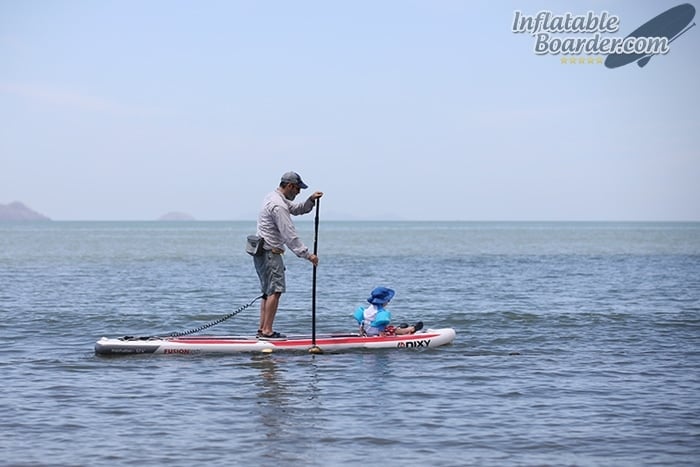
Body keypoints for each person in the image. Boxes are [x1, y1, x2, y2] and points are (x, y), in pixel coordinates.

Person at [253, 171, 323, 339]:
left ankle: (262, 329)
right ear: (290, 186)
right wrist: (308, 255)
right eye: (298, 189)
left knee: (267, 292)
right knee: (275, 291)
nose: (299, 192)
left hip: (263, 251)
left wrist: (310, 201)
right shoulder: (278, 206)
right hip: (271, 252)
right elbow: (289, 235)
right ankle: (267, 331)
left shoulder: (273, 197)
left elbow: (296, 209)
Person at [353, 286, 423, 336]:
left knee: (391, 328)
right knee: (394, 330)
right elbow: (381, 332)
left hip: (367, 333)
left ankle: (405, 328)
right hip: (376, 333)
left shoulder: (366, 311)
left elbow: (361, 325)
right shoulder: (381, 313)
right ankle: (412, 329)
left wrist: (362, 335)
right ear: (383, 301)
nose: (388, 302)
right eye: (388, 300)